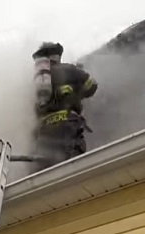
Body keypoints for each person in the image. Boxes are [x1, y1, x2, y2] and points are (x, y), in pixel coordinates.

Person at [32, 41, 98, 170]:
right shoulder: (69, 69)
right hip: (68, 125)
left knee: (44, 171)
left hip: (44, 131)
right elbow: (92, 85)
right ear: (56, 56)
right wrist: (77, 92)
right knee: (72, 168)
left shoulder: (36, 81)